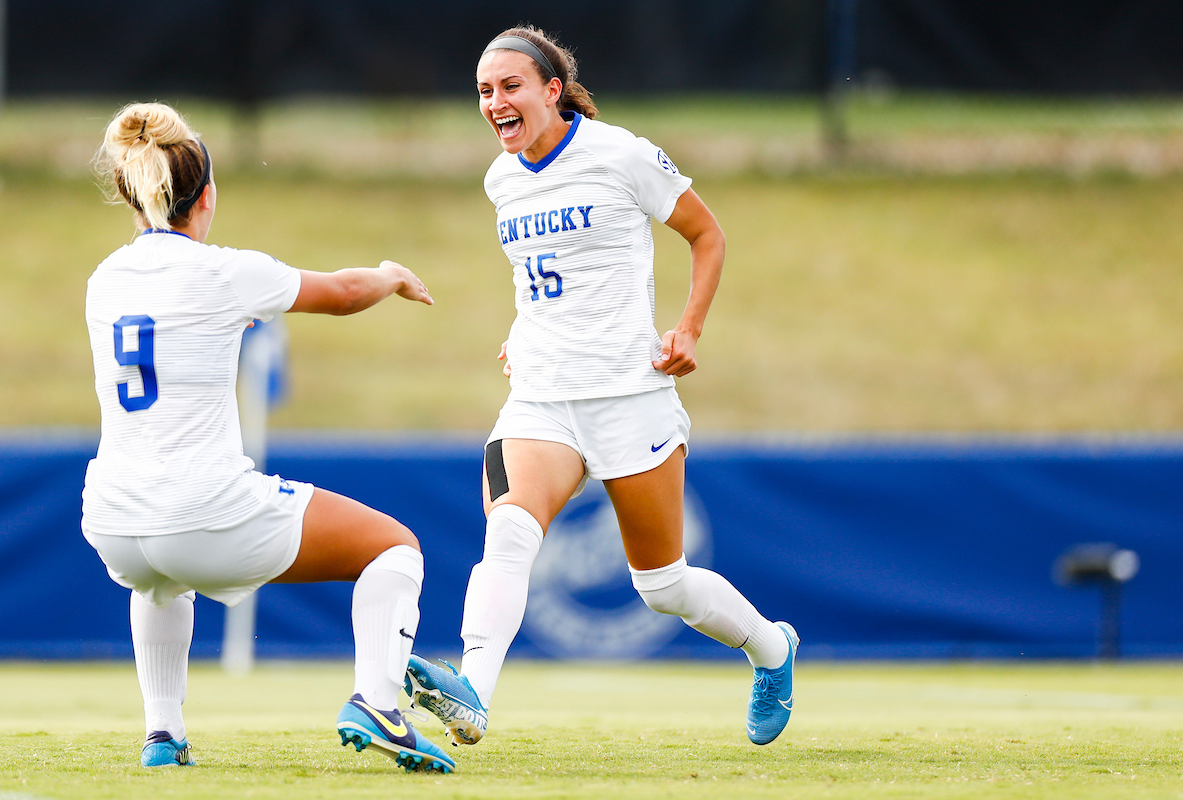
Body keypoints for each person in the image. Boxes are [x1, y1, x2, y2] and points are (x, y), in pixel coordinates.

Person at [404, 27, 798, 748]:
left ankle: (772, 650)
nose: (495, 103)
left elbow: (707, 235)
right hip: (541, 396)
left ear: (553, 90)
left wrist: (689, 330)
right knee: (508, 533)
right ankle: (472, 693)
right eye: (485, 91)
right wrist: (522, 331)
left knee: (663, 586)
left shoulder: (620, 154)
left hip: (628, 397)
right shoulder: (501, 179)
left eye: (511, 86)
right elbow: (544, 279)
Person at [83, 102, 454, 773]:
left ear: (132, 195)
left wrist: (226, 326)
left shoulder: (103, 280)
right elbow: (343, 292)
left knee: (160, 584)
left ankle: (163, 734)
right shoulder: (224, 273)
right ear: (206, 196)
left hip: (113, 519)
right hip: (202, 509)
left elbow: (168, 339)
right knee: (394, 547)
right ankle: (378, 703)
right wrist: (391, 274)